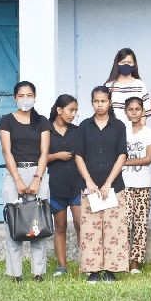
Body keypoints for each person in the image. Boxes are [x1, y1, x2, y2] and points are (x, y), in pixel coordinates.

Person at [0, 81, 51, 282]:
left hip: (38, 173)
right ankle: (15, 274)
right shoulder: (6, 121)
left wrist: (37, 178)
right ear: (15, 98)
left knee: (39, 221)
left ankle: (38, 273)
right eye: (21, 95)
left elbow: (45, 153)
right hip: (14, 174)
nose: (25, 99)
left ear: (35, 97)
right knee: (13, 222)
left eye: (29, 95)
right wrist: (18, 180)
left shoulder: (42, 121)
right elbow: (7, 152)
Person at [75, 86, 129, 283]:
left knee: (114, 228)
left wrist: (108, 183)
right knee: (91, 229)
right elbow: (78, 155)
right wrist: (89, 181)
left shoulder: (119, 126)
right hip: (90, 188)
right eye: (96, 101)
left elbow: (122, 155)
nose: (100, 105)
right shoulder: (84, 126)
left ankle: (111, 270)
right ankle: (93, 271)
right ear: (92, 103)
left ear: (110, 102)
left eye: (103, 101)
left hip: (114, 187)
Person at [46, 94, 82, 277]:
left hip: (76, 185)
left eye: (75, 111)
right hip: (56, 186)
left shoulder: (77, 131)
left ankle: (87, 263)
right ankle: (61, 266)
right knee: (60, 226)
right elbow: (39, 157)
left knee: (80, 223)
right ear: (59, 110)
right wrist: (56, 156)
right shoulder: (46, 131)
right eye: (71, 110)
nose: (73, 114)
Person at [122, 97, 151, 274]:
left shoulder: (148, 132)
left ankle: (135, 262)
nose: (134, 112)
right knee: (125, 223)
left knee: (140, 224)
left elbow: (148, 158)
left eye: (138, 109)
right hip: (124, 184)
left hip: (143, 184)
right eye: (131, 109)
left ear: (143, 111)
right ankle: (123, 260)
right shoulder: (121, 132)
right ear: (126, 112)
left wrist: (124, 162)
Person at [105, 48, 151, 126]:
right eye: (122, 62)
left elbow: (144, 113)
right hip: (113, 130)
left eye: (129, 62)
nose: (126, 65)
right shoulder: (109, 86)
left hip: (135, 130)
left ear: (134, 64)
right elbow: (104, 112)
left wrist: (138, 131)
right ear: (117, 63)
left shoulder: (140, 85)